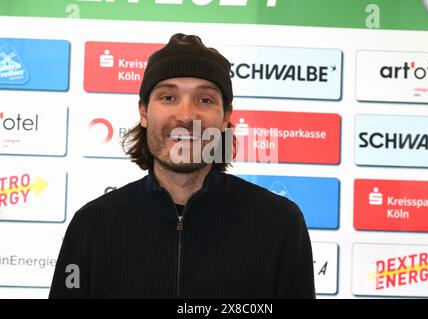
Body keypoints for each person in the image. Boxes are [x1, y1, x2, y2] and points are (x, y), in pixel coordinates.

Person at [49, 33, 316, 299]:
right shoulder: (93, 224)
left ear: (226, 118)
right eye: (168, 97)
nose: (187, 116)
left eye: (204, 100)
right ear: (143, 112)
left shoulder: (279, 222)